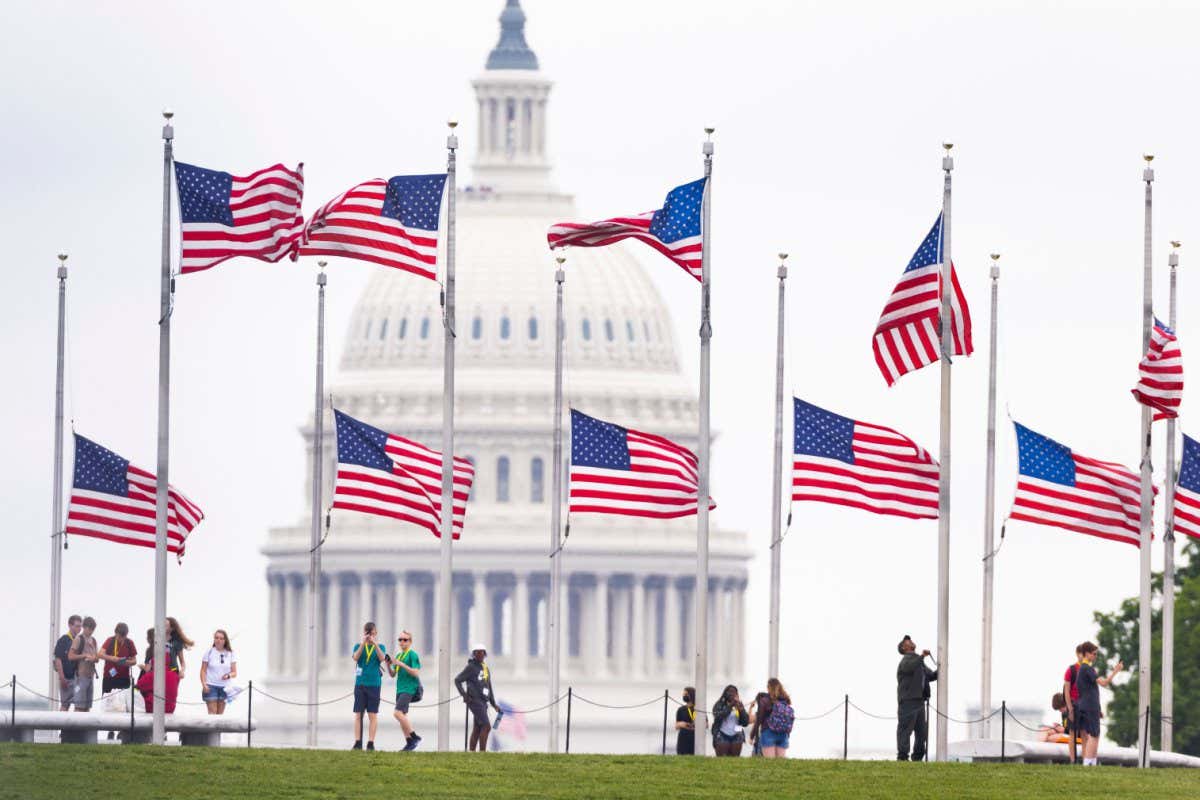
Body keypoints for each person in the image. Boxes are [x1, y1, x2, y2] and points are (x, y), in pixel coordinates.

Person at [1075, 641, 1123, 766]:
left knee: (1093, 734)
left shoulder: (1082, 669)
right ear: (1086, 654)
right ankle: (1089, 762)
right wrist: (1115, 671)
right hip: (1090, 705)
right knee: (1094, 734)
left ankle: (1091, 762)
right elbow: (1104, 682)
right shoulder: (1087, 669)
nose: (1095, 656)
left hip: (1086, 704)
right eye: (1094, 654)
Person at [896, 635, 937, 761]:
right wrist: (922, 656)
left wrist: (942, 668)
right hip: (908, 702)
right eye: (907, 641)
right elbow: (911, 666)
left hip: (919, 702)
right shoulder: (906, 661)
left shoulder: (919, 662)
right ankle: (902, 757)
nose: (910, 641)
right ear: (903, 648)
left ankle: (917, 757)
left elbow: (931, 676)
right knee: (905, 730)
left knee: (921, 732)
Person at [455, 643, 500, 752]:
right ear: (474, 654)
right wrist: (464, 695)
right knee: (486, 726)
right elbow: (457, 680)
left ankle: (472, 752)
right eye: (477, 652)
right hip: (474, 701)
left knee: (478, 728)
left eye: (482, 652)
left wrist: (494, 704)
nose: (480, 654)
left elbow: (489, 687)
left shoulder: (485, 668)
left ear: (485, 654)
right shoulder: (471, 667)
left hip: (483, 701)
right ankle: (482, 752)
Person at [351, 621, 387, 750]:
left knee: (372, 714)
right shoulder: (358, 646)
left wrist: (374, 644)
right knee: (358, 714)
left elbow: (382, 658)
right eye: (368, 634)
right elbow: (355, 657)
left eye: (372, 634)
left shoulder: (381, 646)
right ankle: (357, 741)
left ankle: (370, 742)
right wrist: (363, 643)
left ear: (376, 633)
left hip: (374, 684)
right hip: (360, 683)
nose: (370, 636)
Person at [97, 622, 137, 738]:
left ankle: (121, 730)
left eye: (123, 637)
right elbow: (100, 654)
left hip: (124, 678)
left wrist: (125, 662)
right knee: (109, 703)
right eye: (119, 636)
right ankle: (110, 730)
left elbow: (134, 661)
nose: (121, 639)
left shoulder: (130, 643)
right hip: (110, 677)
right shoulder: (110, 640)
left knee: (123, 704)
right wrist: (113, 658)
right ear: (116, 633)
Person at [389, 630, 422, 751]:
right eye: (400, 640)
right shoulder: (399, 656)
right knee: (403, 715)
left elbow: (415, 672)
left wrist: (401, 664)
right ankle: (409, 742)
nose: (402, 642)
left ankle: (414, 737)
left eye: (405, 640)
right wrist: (389, 664)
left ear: (410, 642)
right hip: (400, 688)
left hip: (409, 688)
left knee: (397, 713)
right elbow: (392, 674)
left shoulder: (412, 655)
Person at [136, 626, 181, 713]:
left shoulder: (153, 675)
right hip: (170, 709)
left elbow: (139, 686)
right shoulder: (175, 676)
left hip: (154, 708)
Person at [200, 629, 237, 715]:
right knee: (212, 713)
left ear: (225, 640)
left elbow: (234, 672)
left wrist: (228, 675)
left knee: (220, 715)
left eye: (221, 638)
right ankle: (210, 729)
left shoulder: (230, 653)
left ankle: (219, 729)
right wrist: (204, 684)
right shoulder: (209, 652)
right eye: (216, 638)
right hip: (210, 686)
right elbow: (203, 670)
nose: (218, 640)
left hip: (224, 688)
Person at [67, 616, 99, 712]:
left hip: (90, 676)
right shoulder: (78, 639)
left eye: (92, 629)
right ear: (84, 627)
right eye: (89, 629)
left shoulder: (93, 641)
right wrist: (84, 656)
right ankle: (76, 727)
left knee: (87, 707)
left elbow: (97, 658)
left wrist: (94, 658)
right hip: (80, 677)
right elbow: (70, 656)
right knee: (79, 706)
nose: (90, 631)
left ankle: (85, 727)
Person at [52, 615, 82, 711]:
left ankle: (75, 725)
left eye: (80, 626)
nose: (79, 628)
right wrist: (62, 677)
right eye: (77, 626)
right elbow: (58, 659)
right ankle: (62, 725)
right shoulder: (63, 640)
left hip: (77, 679)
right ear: (70, 625)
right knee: (65, 704)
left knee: (80, 704)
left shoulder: (80, 640)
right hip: (66, 678)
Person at [759, 678, 794, 759]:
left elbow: (759, 719)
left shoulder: (765, 700)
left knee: (770, 764)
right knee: (780, 764)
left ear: (768, 687)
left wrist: (753, 735)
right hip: (783, 733)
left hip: (768, 732)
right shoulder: (785, 700)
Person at [711, 684, 749, 756]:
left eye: (734, 692)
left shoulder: (739, 704)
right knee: (722, 760)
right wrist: (730, 705)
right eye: (730, 692)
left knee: (735, 760)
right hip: (722, 734)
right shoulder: (719, 704)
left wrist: (741, 710)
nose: (732, 694)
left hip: (737, 734)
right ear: (725, 694)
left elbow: (745, 722)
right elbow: (718, 717)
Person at [746, 691, 771, 756]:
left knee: (757, 758)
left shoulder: (759, 714)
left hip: (760, 739)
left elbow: (748, 720)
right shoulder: (772, 711)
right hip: (772, 738)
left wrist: (751, 707)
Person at [674, 687, 698, 755]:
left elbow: (706, 724)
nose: (684, 696)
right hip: (683, 738)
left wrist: (694, 726)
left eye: (686, 694)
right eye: (684, 694)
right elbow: (676, 726)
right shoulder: (681, 709)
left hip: (695, 738)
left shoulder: (699, 709)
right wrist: (683, 724)